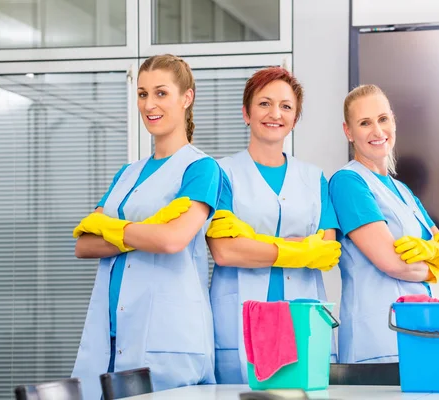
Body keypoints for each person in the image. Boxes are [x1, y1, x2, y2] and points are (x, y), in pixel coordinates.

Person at [71, 54, 222, 399]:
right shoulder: (126, 175)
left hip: (166, 337)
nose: (149, 105)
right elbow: (84, 244)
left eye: (160, 93)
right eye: (142, 94)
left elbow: (173, 239)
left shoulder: (202, 169)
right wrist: (146, 231)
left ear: (187, 97)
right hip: (109, 334)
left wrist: (110, 227)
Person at [205, 67, 341, 383]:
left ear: (295, 118)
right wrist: (301, 248)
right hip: (240, 318)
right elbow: (225, 251)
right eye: (264, 103)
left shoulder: (313, 178)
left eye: (286, 106)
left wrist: (253, 242)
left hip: (302, 319)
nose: (274, 113)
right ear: (246, 113)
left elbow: (327, 251)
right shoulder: (221, 174)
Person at [329, 84, 439, 364]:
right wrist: (436, 263)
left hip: (419, 330)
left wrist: (436, 254)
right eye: (365, 123)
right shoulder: (348, 183)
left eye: (383, 119)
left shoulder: (403, 192)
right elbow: (393, 263)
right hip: (376, 339)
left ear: (393, 122)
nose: (377, 131)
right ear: (348, 132)